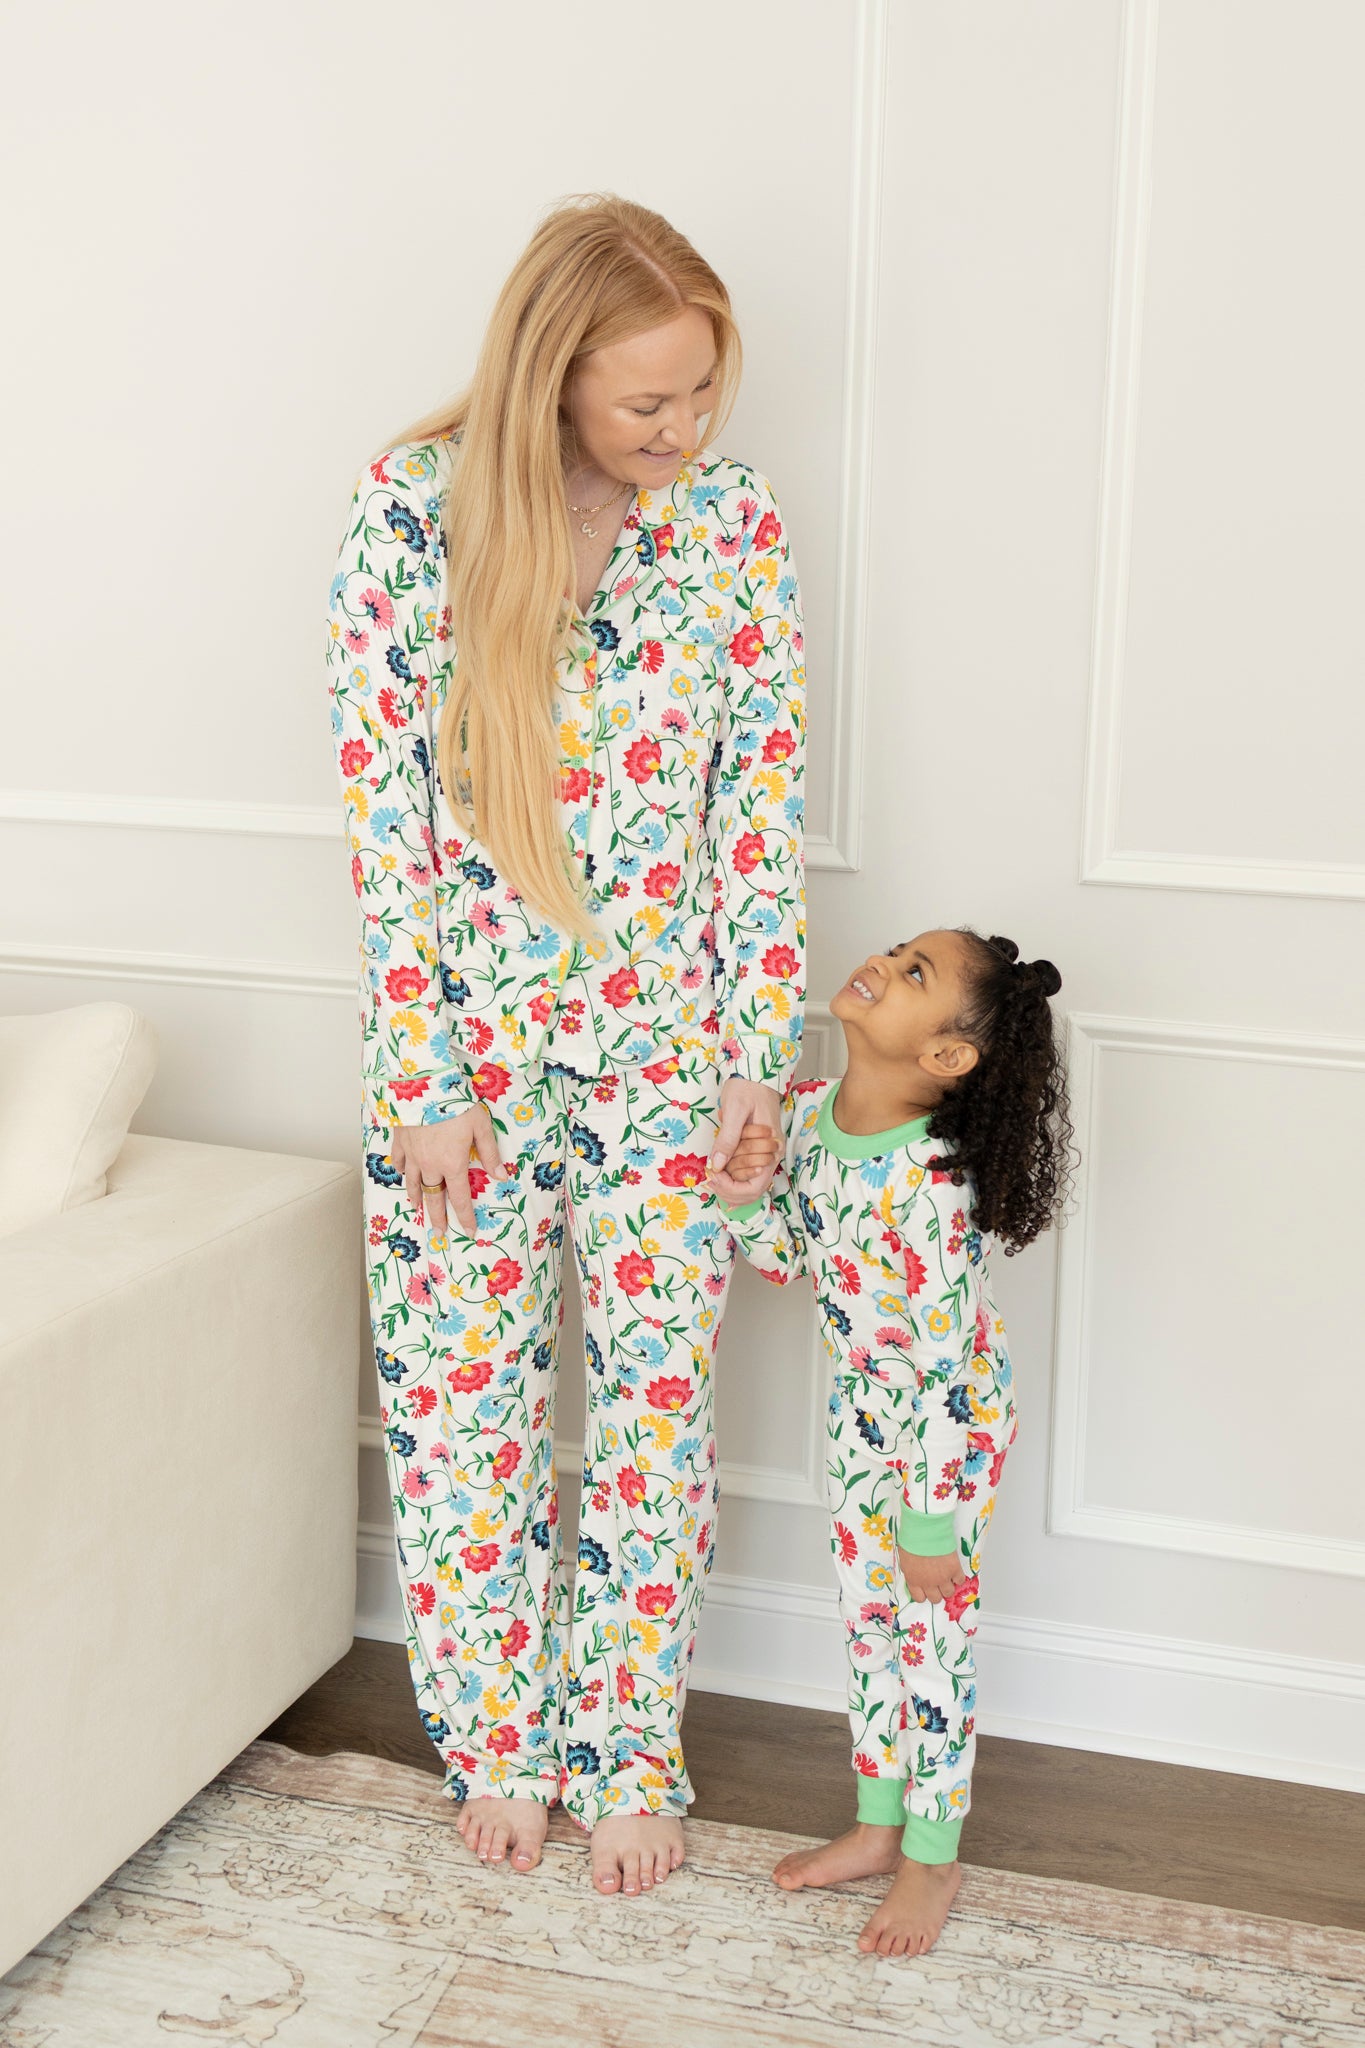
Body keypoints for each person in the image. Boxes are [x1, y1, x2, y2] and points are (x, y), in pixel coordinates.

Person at [325, 194, 806, 1898]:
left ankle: (628, 1749)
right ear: (553, 379)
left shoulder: (732, 526)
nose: (686, 429)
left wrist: (757, 1053)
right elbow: (385, 818)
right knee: (465, 1425)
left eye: (703, 390)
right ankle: (500, 1747)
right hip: (466, 1068)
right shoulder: (412, 513)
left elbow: (757, 801)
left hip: (670, 1056)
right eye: (648, 401)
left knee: (657, 1427)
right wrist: (422, 1085)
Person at [710, 928, 1072, 1956]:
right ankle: (877, 1824)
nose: (883, 962)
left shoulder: (934, 1182)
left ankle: (933, 1853)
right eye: (898, 950)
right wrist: (746, 1193)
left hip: (945, 1434)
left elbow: (949, 1368)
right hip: (862, 1412)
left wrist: (929, 1517)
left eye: (915, 973)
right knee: (867, 1624)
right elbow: (788, 1260)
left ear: (947, 1054)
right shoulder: (811, 1114)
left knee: (931, 1641)